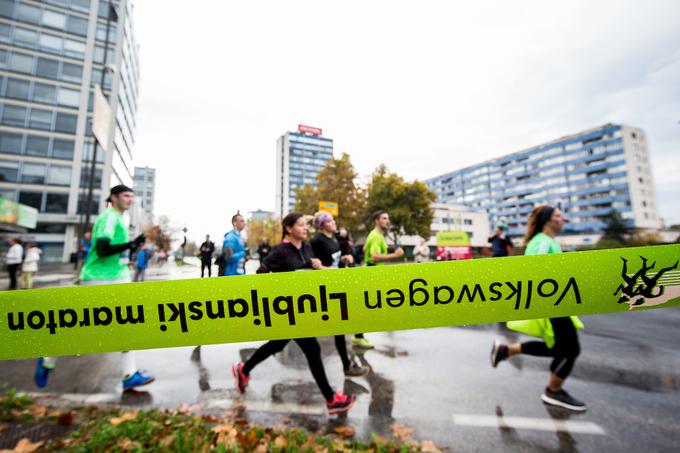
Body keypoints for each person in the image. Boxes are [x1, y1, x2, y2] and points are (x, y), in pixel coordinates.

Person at [232, 212, 355, 415]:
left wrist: (316, 266)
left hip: (301, 308)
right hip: (287, 310)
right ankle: (331, 399)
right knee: (313, 349)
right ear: (289, 228)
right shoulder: (280, 251)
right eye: (300, 225)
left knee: (278, 343)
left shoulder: (307, 247)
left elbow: (305, 270)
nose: (305, 228)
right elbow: (261, 274)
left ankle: (243, 370)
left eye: (306, 225)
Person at [35, 185, 155, 391]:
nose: (129, 199)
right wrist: (130, 244)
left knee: (129, 322)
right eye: (126, 196)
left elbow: (114, 251)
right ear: (114, 197)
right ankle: (47, 359)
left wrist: (133, 246)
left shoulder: (120, 219)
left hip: (117, 276)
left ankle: (130, 374)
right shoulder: (109, 217)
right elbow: (102, 249)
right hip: (97, 278)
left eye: (131, 196)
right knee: (82, 326)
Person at [490, 205, 586, 411]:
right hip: (552, 304)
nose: (563, 219)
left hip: (557, 302)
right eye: (559, 215)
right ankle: (553, 392)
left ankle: (506, 350)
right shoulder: (542, 243)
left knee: (557, 348)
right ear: (547, 220)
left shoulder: (548, 242)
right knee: (570, 349)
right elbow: (535, 270)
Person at [310, 211, 368, 378]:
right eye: (331, 220)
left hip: (337, 286)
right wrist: (329, 270)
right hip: (326, 289)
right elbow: (314, 266)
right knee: (340, 328)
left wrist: (345, 259)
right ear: (323, 225)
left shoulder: (333, 240)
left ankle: (348, 364)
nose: (334, 222)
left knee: (341, 328)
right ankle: (347, 365)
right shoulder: (317, 241)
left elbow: (333, 260)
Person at [353, 210, 404, 349]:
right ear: (376, 220)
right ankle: (358, 337)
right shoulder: (376, 236)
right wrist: (395, 255)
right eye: (384, 218)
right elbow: (375, 256)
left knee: (367, 306)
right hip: (371, 271)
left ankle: (358, 336)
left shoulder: (375, 235)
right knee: (366, 307)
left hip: (373, 271)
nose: (387, 221)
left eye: (388, 218)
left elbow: (365, 249)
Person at [223, 212, 247, 276]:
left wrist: (246, 257)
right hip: (231, 274)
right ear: (234, 223)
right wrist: (244, 253)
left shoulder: (239, 237)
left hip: (240, 273)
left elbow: (241, 258)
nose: (244, 223)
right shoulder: (230, 237)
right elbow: (229, 257)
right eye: (242, 221)